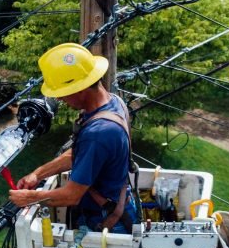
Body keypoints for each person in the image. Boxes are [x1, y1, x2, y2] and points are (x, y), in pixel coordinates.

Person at [8, 43, 137, 234]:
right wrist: (38, 173)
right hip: (116, 206)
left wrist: (29, 198)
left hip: (105, 222)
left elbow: (71, 196)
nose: (60, 100)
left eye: (62, 94)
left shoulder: (98, 133)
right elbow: (78, 155)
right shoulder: (113, 102)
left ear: (80, 89)